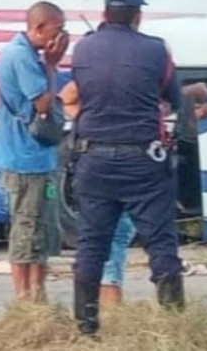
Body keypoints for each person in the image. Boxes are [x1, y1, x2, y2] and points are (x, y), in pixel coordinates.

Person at [69, 0, 184, 335]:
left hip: (94, 159)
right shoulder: (155, 50)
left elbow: (79, 93)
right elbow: (174, 98)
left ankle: (86, 329)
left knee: (92, 243)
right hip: (143, 162)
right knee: (161, 241)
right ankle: (176, 327)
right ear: (138, 14)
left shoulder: (83, 48)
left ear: (104, 13)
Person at [0, 1, 68, 303]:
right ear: (38, 28)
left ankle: (38, 294)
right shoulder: (22, 56)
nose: (60, 37)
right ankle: (25, 297)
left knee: (40, 229)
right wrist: (51, 65)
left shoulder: (20, 53)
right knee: (27, 228)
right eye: (57, 30)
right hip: (25, 159)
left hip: (34, 157)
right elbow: (44, 104)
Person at [61, 80, 136, 309]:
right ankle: (110, 301)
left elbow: (65, 98)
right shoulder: (143, 68)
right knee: (117, 233)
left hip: (97, 158)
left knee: (105, 234)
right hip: (133, 159)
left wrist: (86, 123)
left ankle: (100, 303)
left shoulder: (94, 70)